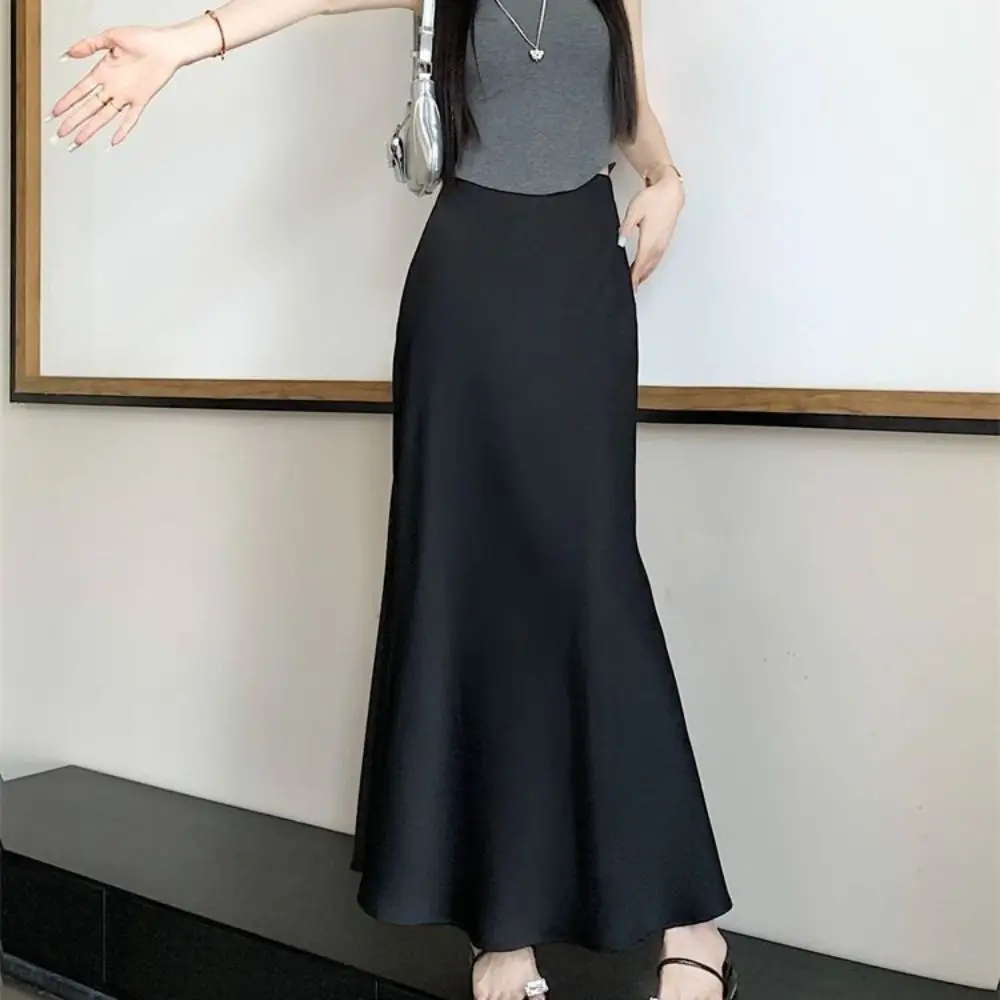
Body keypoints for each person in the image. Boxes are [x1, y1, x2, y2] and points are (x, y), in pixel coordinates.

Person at [50, 1, 735, 997]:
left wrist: (668, 178)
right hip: (466, 280)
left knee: (591, 581)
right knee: (468, 581)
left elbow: (624, 108)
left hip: (579, 280)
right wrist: (182, 45)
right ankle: (501, 926)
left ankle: (688, 917)